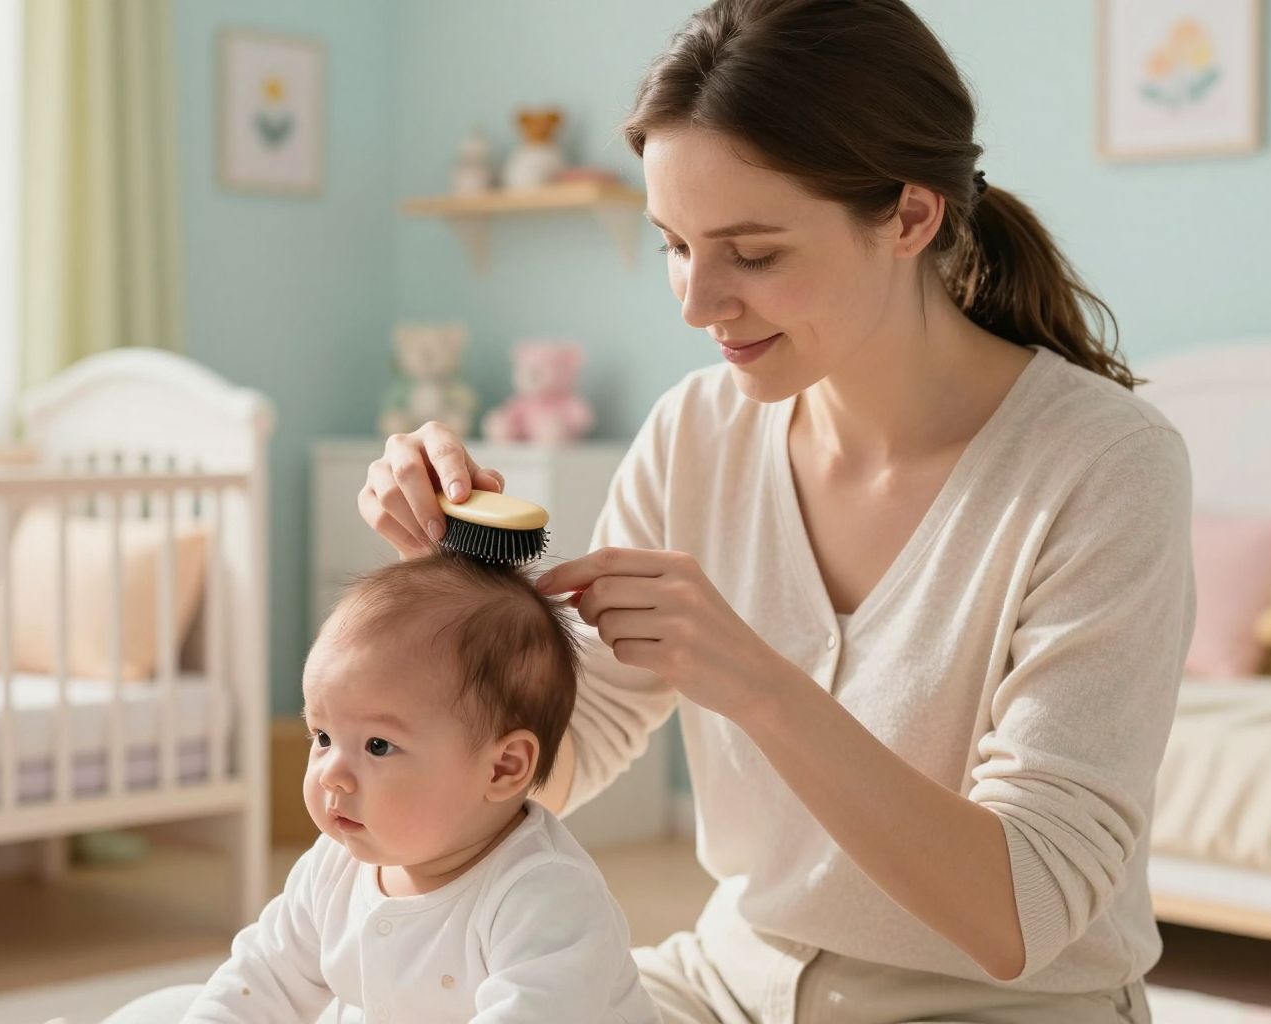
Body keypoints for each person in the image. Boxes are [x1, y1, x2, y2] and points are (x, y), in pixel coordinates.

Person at [360, 1, 1192, 1021]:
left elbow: (1024, 913)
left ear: (911, 216)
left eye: (750, 254)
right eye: (673, 244)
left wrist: (760, 682)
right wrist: (456, 580)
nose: (697, 302)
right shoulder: (694, 433)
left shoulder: (1104, 465)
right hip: (730, 984)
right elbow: (551, 760)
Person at [103, 553, 658, 1023]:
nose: (331, 774)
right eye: (321, 736)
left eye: (376, 746)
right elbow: (265, 978)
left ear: (503, 768)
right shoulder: (333, 867)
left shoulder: (544, 899)